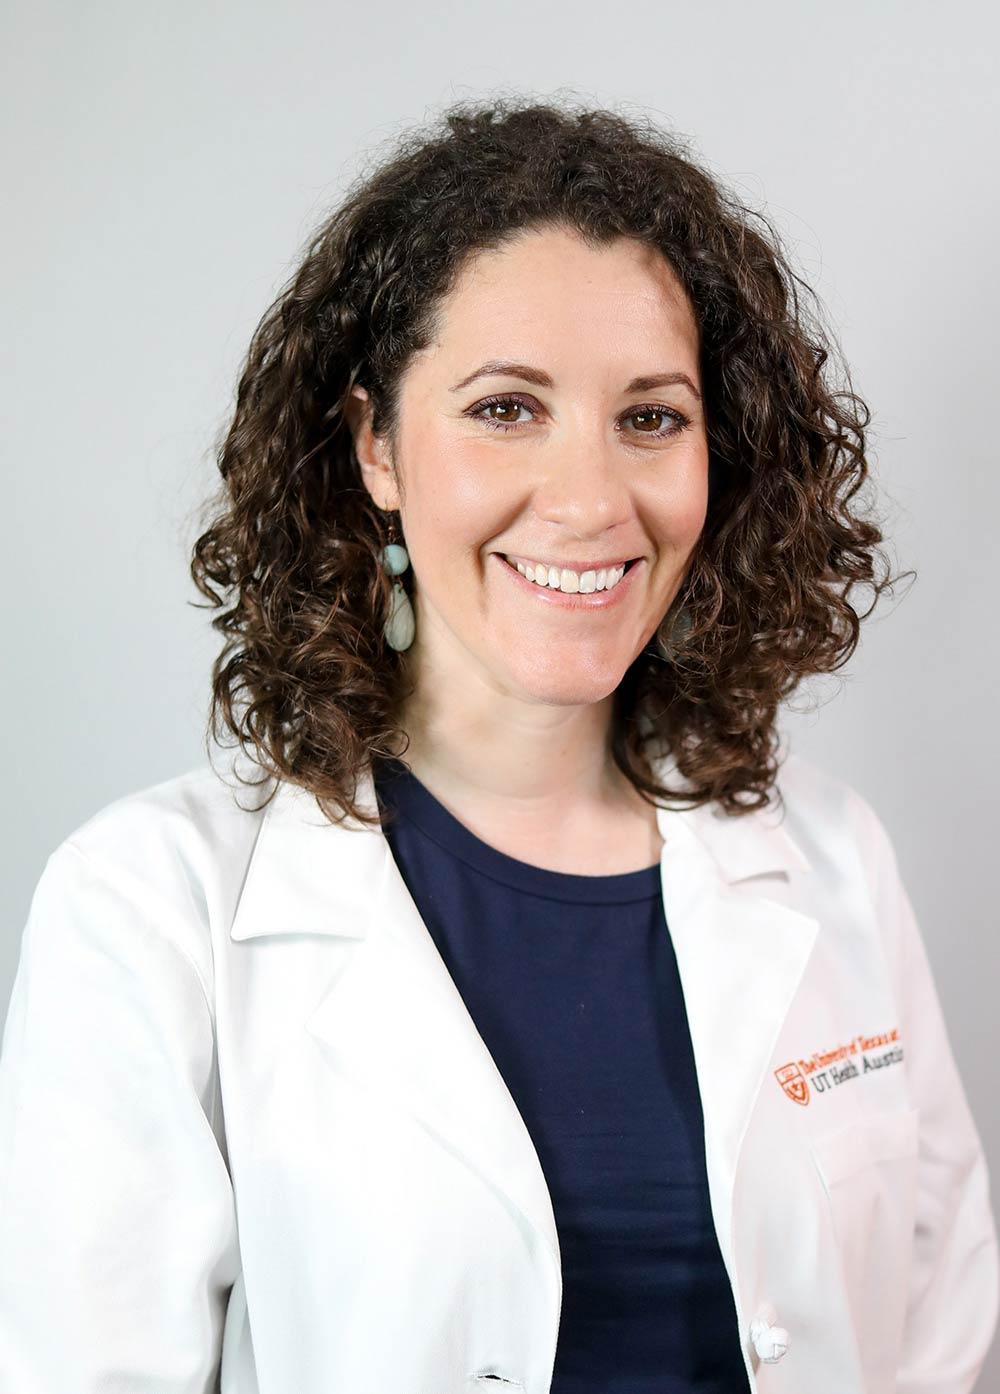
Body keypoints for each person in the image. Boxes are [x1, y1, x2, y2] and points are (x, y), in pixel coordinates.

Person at [1, 95, 996, 1394]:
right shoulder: (153, 907)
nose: (590, 501)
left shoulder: (835, 855)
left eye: (651, 416)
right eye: (506, 408)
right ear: (375, 446)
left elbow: (947, 1341)